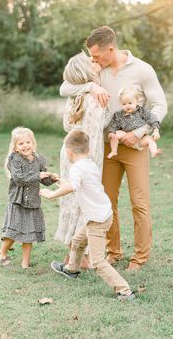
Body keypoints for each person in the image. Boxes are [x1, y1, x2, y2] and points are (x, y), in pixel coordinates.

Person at [60, 26, 167, 272]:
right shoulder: (97, 70)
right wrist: (90, 87)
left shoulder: (142, 69)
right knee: (107, 202)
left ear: (111, 49)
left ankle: (139, 258)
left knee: (139, 202)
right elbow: (64, 88)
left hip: (135, 146)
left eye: (97, 56)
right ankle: (114, 252)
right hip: (106, 148)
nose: (93, 60)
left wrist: (139, 132)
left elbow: (160, 104)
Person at [40, 130, 135, 301]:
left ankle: (124, 290)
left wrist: (51, 194)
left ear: (68, 153)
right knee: (77, 241)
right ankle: (71, 269)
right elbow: (77, 183)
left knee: (98, 261)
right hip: (103, 214)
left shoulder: (77, 168)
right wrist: (59, 180)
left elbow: (73, 187)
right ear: (87, 150)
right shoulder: (89, 164)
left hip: (96, 220)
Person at [55, 51, 111, 269]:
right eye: (91, 61)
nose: (95, 60)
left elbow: (67, 127)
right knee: (84, 201)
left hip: (68, 152)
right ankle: (82, 257)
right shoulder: (96, 98)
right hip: (85, 154)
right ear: (84, 71)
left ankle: (73, 253)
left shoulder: (73, 97)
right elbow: (94, 133)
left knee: (72, 200)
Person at [0, 127, 57, 268]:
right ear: (15, 147)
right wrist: (37, 175)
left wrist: (51, 178)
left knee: (29, 234)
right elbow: (19, 179)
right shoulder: (15, 160)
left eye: (28, 142)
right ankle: (2, 253)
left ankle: (25, 264)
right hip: (17, 201)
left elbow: (44, 181)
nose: (25, 145)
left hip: (32, 202)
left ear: (33, 143)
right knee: (14, 230)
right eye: (21, 143)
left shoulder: (39, 159)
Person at [107, 85, 162, 159]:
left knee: (150, 140)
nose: (127, 106)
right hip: (126, 136)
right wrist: (112, 132)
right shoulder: (119, 115)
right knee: (115, 134)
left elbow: (152, 118)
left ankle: (154, 151)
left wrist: (156, 130)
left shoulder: (142, 111)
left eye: (130, 103)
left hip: (141, 139)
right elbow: (114, 124)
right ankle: (114, 151)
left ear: (136, 101)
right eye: (124, 104)